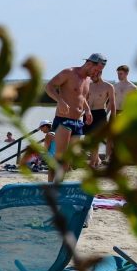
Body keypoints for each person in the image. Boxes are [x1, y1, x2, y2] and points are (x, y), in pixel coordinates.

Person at [45, 53, 106, 182]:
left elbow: (82, 97)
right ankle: (50, 186)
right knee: (58, 158)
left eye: (99, 71)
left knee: (68, 159)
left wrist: (87, 110)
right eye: (96, 70)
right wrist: (60, 101)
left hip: (78, 122)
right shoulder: (69, 73)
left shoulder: (88, 80)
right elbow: (49, 86)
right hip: (63, 120)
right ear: (89, 64)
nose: (96, 73)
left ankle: (58, 185)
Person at [83, 64, 115, 167]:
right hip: (88, 113)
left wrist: (112, 117)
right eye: (91, 75)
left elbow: (112, 103)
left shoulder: (108, 86)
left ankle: (92, 163)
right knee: (88, 139)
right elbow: (84, 100)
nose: (92, 77)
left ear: (99, 73)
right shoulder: (89, 85)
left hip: (100, 113)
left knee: (95, 139)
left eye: (93, 75)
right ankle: (97, 160)